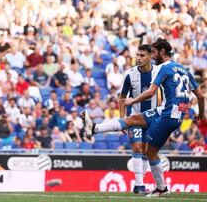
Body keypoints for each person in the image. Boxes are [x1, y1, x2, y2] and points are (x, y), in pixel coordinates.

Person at [83, 38, 205, 197]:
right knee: (135, 124)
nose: (153, 56)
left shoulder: (163, 68)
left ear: (162, 52)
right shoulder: (184, 69)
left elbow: (151, 92)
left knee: (150, 151)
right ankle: (94, 128)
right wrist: (201, 114)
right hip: (174, 114)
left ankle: (161, 188)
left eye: (154, 52)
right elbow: (201, 96)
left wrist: (133, 100)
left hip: (167, 114)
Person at [119, 44, 157, 194]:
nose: (139, 58)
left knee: (147, 151)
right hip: (134, 118)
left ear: (150, 57)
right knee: (137, 147)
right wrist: (122, 119)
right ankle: (140, 185)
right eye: (137, 55)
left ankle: (140, 183)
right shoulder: (130, 74)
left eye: (142, 55)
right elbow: (122, 97)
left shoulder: (158, 73)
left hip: (153, 119)